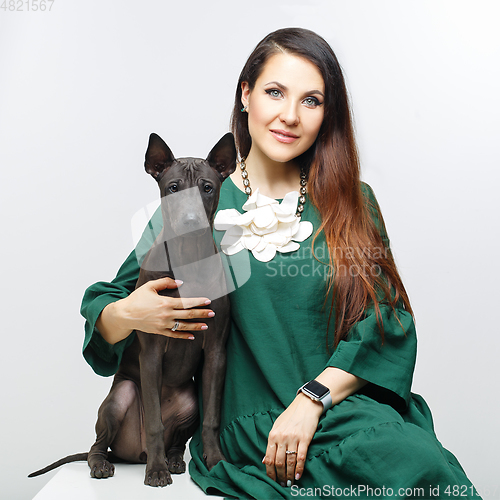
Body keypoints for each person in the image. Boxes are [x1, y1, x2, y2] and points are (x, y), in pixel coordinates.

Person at [81, 28, 479, 499]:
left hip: (336, 407)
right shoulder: (199, 200)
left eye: (311, 100)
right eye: (275, 92)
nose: (290, 115)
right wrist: (131, 312)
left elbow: (387, 320)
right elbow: (109, 301)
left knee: (417, 464)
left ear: (326, 114)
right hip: (250, 422)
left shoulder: (349, 202)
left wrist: (313, 400)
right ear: (246, 94)